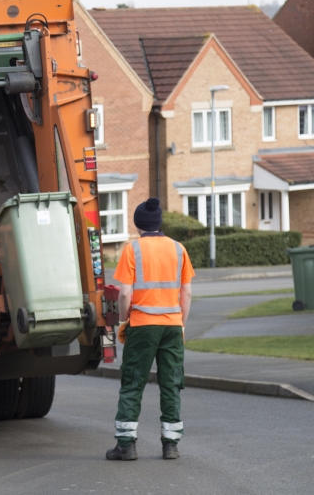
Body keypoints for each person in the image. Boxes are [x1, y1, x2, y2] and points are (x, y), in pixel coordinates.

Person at [105, 197, 194, 461]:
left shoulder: (133, 250)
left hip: (142, 325)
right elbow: (186, 293)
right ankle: (170, 445)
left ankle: (126, 445)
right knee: (171, 384)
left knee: (133, 383)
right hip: (172, 327)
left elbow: (124, 294)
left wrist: (123, 322)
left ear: (138, 224)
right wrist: (180, 325)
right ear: (159, 222)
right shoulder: (179, 249)